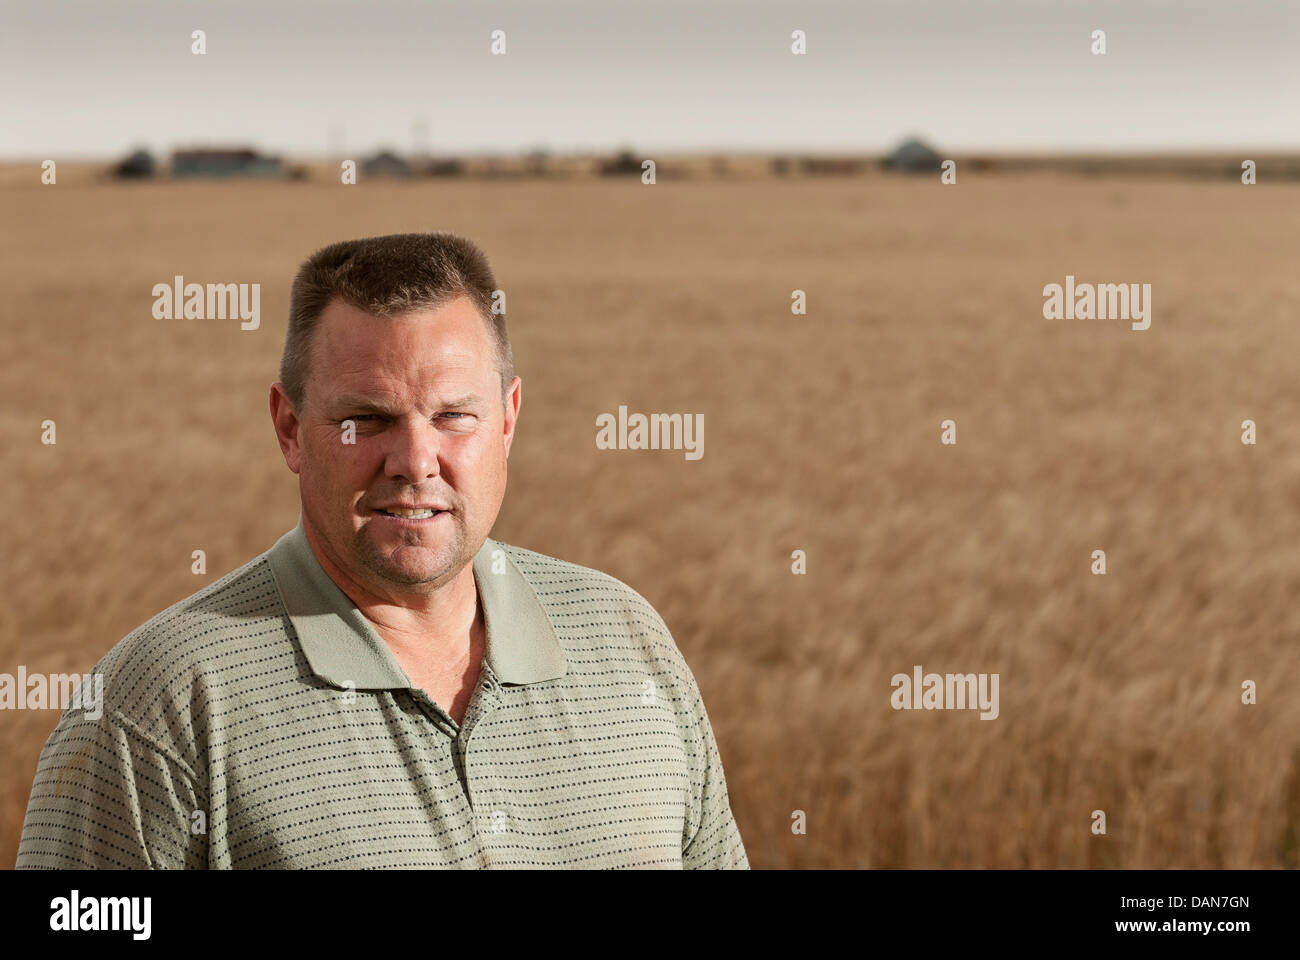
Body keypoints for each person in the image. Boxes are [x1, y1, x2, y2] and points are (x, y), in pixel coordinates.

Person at [16, 232, 748, 869]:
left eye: (454, 416)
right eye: (366, 419)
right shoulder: (161, 704)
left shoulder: (626, 640)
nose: (416, 460)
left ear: (509, 421)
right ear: (289, 428)